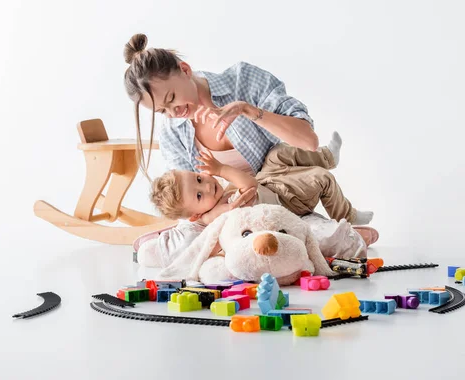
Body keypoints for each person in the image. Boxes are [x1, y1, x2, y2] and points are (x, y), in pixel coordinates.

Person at [123, 33, 378, 267]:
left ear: (185, 70)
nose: (173, 113)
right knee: (193, 240)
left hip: (280, 202)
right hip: (223, 216)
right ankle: (235, 245)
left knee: (293, 233)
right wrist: (216, 214)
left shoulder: (242, 80)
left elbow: (308, 141)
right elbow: (188, 200)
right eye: (162, 111)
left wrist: (248, 111)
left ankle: (324, 236)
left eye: (171, 99)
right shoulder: (173, 131)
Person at [150, 132, 373, 227]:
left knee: (277, 152)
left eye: (199, 179)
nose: (207, 185)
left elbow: (254, 182)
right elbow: (249, 186)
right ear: (195, 215)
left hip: (269, 183)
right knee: (322, 179)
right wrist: (220, 169)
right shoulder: (211, 216)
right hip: (288, 202)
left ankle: (327, 156)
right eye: (199, 195)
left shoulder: (213, 200)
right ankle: (347, 216)